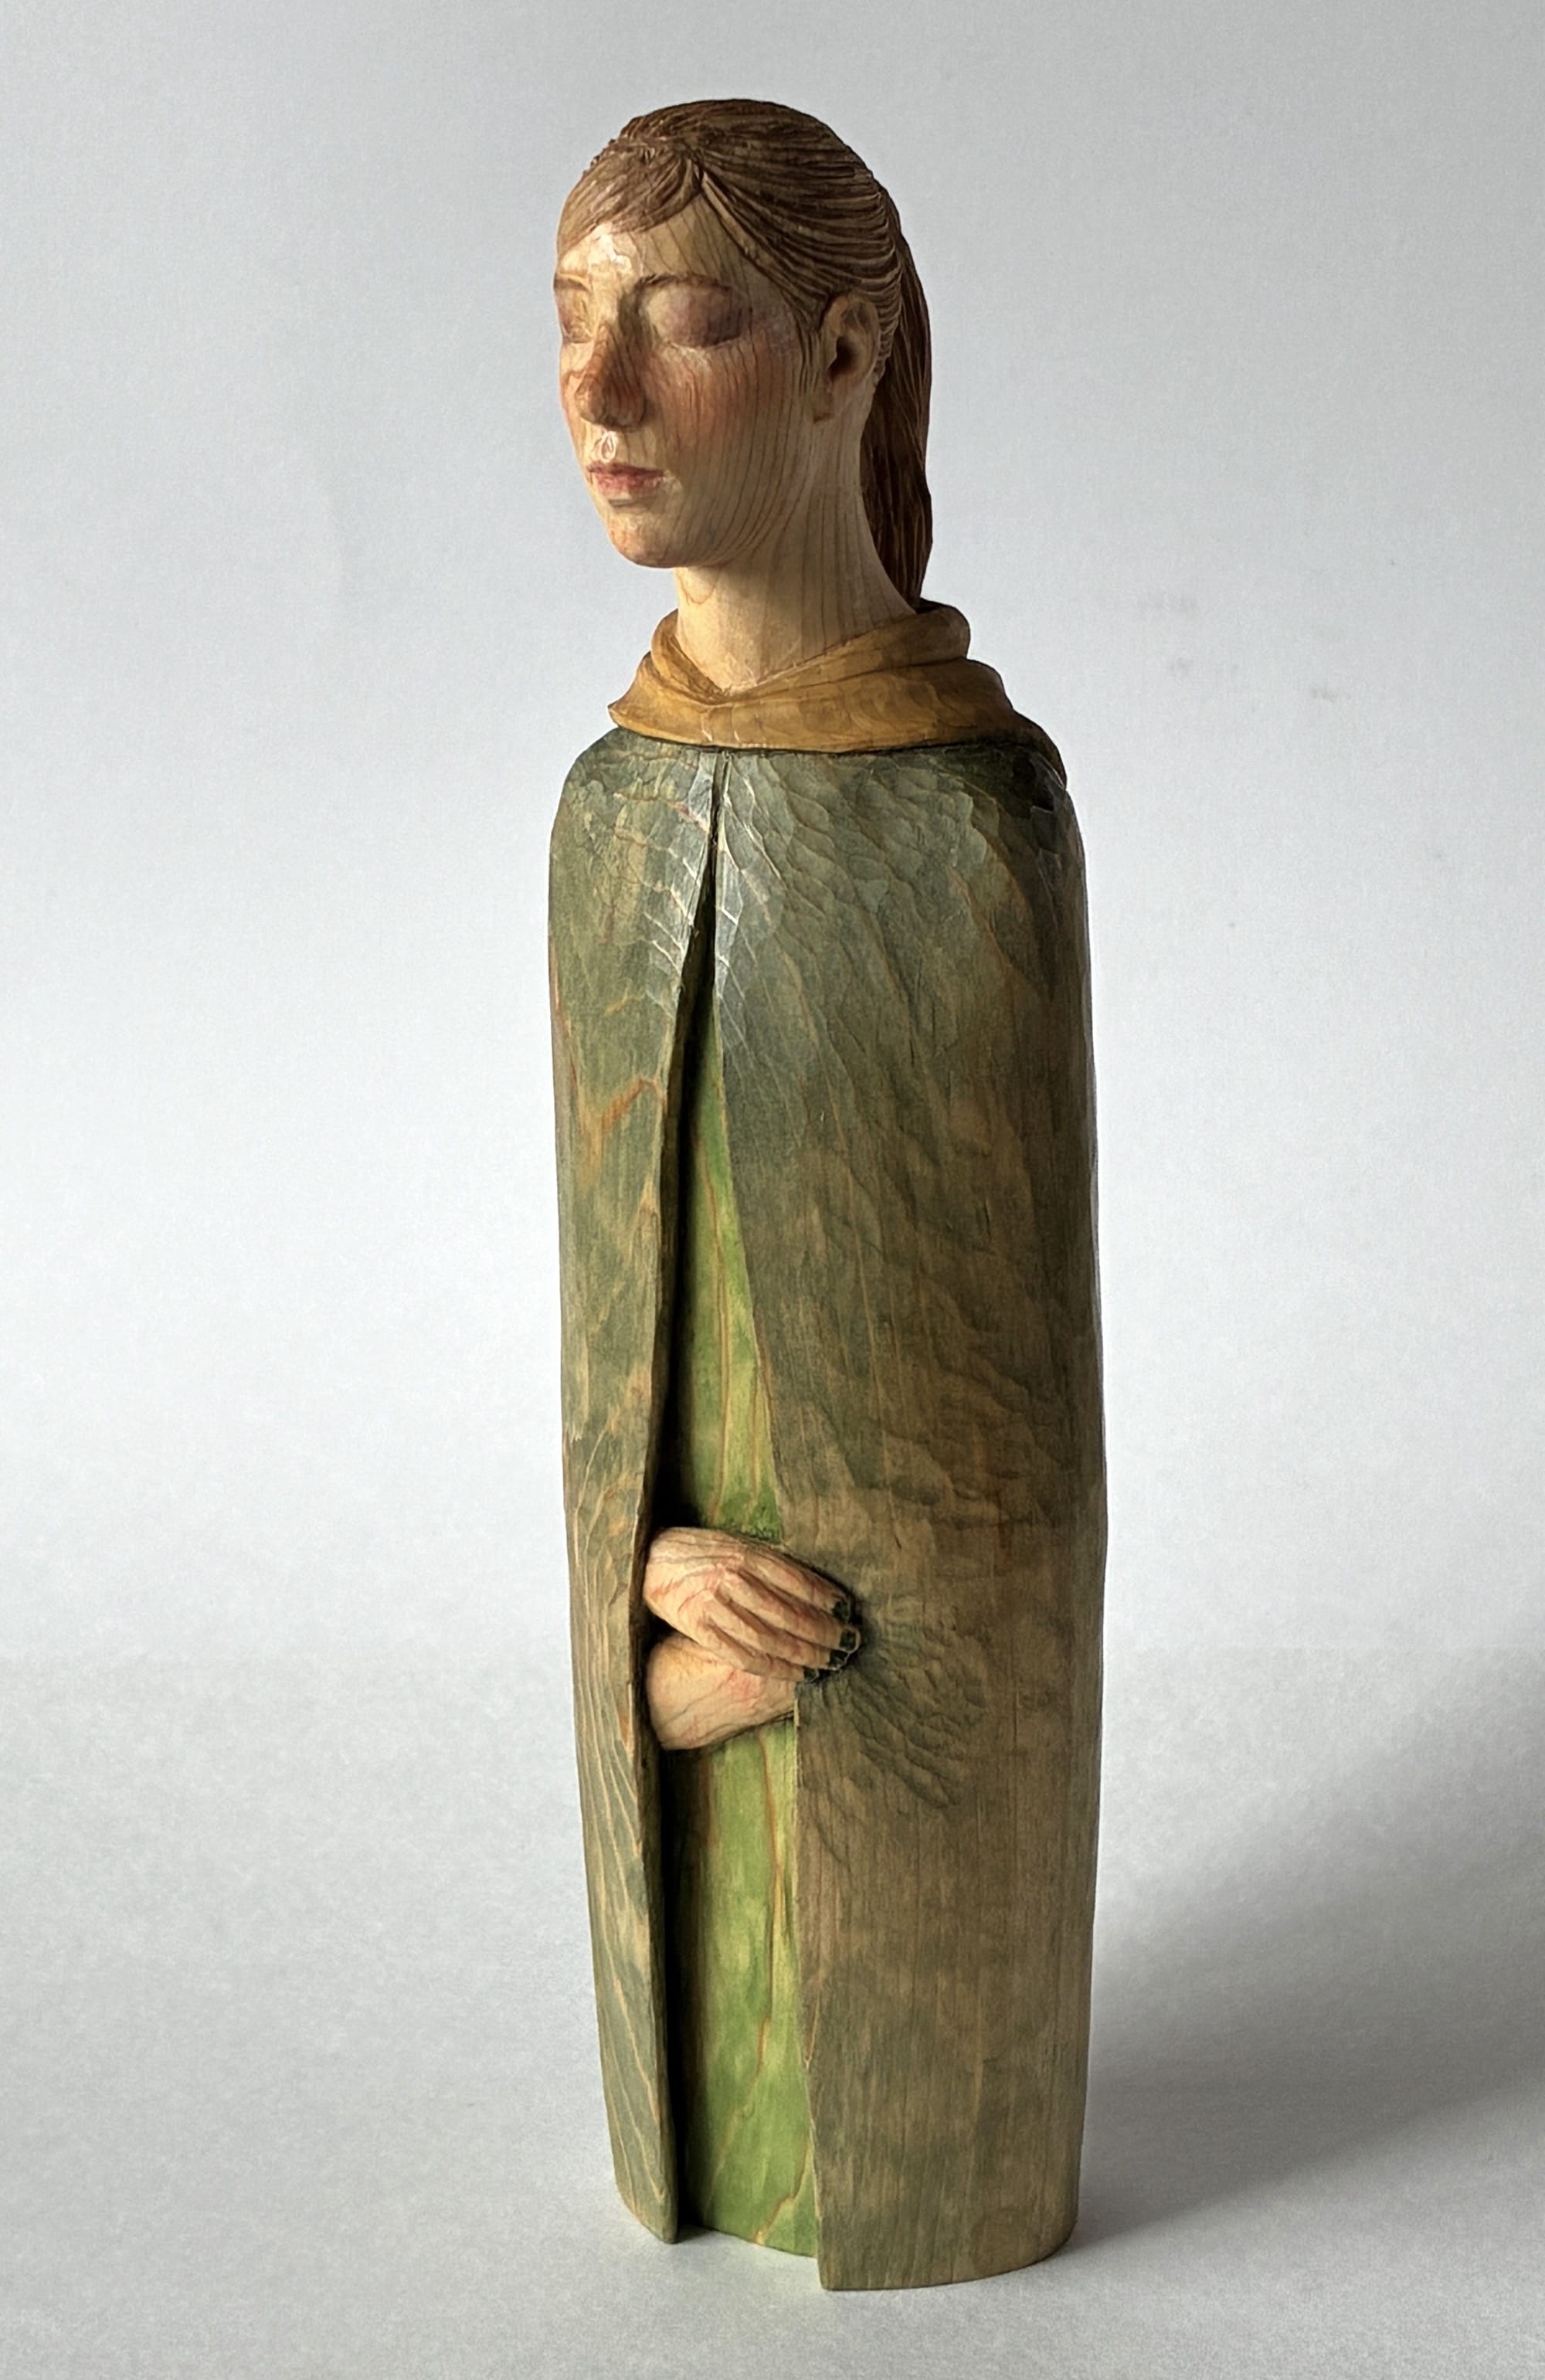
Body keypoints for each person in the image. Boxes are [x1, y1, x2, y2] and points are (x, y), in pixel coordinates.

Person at [548, 99, 1105, 2290]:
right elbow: (608, 1358)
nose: (600, 395)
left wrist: (809, 1656)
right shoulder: (608, 812)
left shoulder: (973, 825)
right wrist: (644, 1597)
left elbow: (1010, 1438)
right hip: (688, 1652)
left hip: (911, 1771)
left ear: (847, 356)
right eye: (572, 324)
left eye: (684, 323)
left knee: (896, 2079)